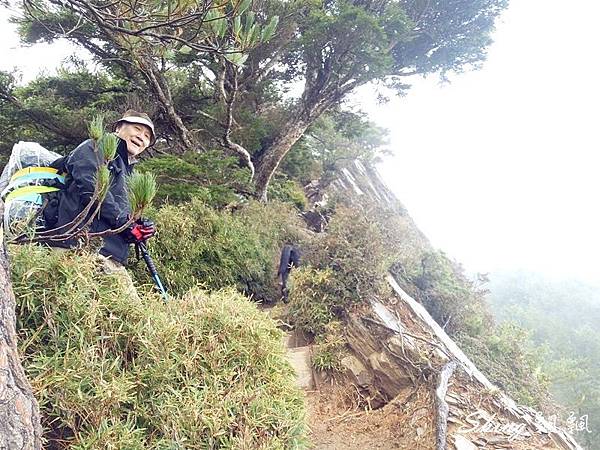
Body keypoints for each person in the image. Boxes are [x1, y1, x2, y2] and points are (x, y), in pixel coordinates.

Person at [42, 110, 157, 270]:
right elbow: (91, 187)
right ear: (118, 128)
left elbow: (123, 213)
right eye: (137, 129)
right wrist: (124, 223)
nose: (141, 137)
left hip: (112, 258)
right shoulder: (95, 147)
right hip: (75, 246)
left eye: (147, 136)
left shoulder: (132, 175)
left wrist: (139, 224)